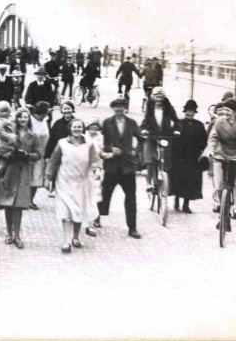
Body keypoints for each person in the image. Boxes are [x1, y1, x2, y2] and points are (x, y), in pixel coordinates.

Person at [0, 107, 41, 249]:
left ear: (29, 119)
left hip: (22, 172)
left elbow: (38, 154)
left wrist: (27, 155)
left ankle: (17, 235)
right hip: (8, 173)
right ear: (16, 118)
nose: (23, 119)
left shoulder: (33, 135)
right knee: (8, 203)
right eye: (21, 117)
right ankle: (9, 234)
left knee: (19, 206)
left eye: (26, 117)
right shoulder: (10, 131)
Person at [46, 118, 100, 253]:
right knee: (65, 213)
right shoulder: (62, 143)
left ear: (83, 129)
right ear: (70, 128)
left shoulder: (89, 144)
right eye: (74, 127)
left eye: (79, 127)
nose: (77, 129)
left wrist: (95, 172)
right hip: (64, 182)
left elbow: (95, 161)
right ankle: (66, 241)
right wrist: (48, 178)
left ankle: (76, 237)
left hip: (82, 183)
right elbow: (53, 161)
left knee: (78, 211)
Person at [93, 98, 141, 239]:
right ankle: (96, 218)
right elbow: (103, 142)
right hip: (111, 166)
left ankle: (132, 228)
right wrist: (110, 149)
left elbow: (140, 139)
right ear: (112, 108)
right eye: (116, 107)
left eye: (122, 107)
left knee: (131, 197)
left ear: (125, 108)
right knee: (104, 194)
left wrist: (136, 153)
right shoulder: (107, 122)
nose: (119, 109)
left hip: (127, 166)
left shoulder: (132, 123)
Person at [206, 99, 236, 221]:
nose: (225, 113)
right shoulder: (219, 122)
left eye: (228, 110)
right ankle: (218, 200)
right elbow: (213, 137)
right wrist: (211, 149)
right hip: (221, 153)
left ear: (235, 111)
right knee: (219, 182)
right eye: (224, 110)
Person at [139, 87, 179, 192]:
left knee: (165, 158)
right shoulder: (150, 107)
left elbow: (176, 121)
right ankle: (149, 182)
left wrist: (176, 130)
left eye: (160, 96)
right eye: (156, 96)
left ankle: (163, 178)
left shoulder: (168, 107)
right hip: (152, 136)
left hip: (165, 136)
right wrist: (144, 130)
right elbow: (145, 121)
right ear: (153, 96)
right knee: (150, 159)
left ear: (163, 97)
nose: (159, 99)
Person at [171, 99, 207, 213]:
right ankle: (176, 199)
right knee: (178, 178)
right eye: (187, 111)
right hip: (180, 157)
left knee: (190, 181)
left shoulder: (199, 125)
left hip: (193, 157)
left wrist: (200, 151)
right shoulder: (179, 124)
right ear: (184, 112)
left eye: (191, 111)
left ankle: (186, 204)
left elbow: (204, 141)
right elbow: (173, 140)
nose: (189, 113)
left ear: (195, 112)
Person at [0, 101, 20, 191]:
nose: (5, 113)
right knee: (7, 160)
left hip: (6, 144)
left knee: (6, 161)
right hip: (2, 145)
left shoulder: (8, 119)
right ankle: (2, 179)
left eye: (6, 111)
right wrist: (12, 136)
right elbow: (1, 133)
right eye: (2, 111)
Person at [27, 101, 51, 209]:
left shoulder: (45, 121)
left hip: (41, 154)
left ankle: (30, 200)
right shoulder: (30, 120)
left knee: (36, 179)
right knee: (27, 177)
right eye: (48, 109)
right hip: (30, 153)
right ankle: (24, 200)